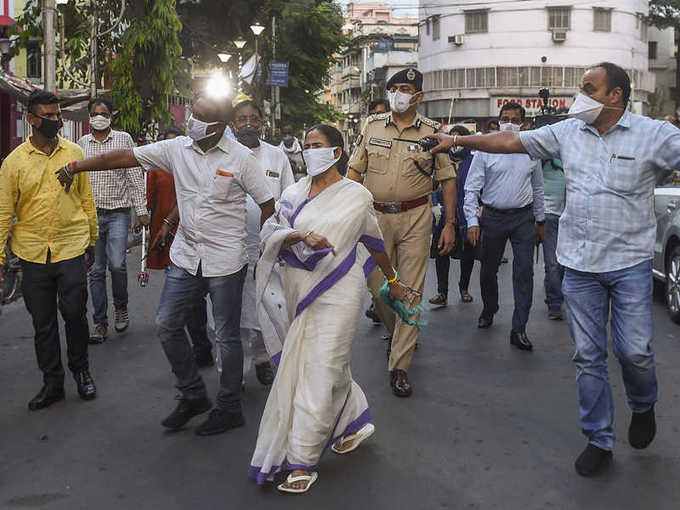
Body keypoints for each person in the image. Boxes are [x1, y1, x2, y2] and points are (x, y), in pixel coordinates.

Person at [424, 62, 680, 477]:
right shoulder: (566, 132)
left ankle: (643, 403)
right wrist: (457, 138)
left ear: (616, 95)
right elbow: (508, 141)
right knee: (588, 355)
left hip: (630, 263)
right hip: (578, 265)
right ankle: (599, 438)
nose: (580, 95)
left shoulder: (654, 135)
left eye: (589, 88)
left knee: (635, 352)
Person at [56, 92, 276, 436]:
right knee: (166, 323)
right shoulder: (177, 149)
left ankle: (229, 407)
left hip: (226, 260)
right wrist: (75, 165)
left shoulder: (242, 159)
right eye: (192, 113)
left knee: (227, 337)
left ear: (217, 126)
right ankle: (193, 393)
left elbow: (267, 205)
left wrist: (262, 248)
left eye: (199, 116)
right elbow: (125, 157)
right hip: (186, 256)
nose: (190, 120)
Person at [249, 124, 408, 494]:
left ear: (337, 151)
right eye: (306, 146)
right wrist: (298, 236)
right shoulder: (292, 192)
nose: (308, 151)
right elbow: (271, 232)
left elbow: (374, 241)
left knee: (319, 369)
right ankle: (353, 419)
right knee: (324, 363)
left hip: (340, 291)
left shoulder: (357, 195)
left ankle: (301, 460)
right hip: (298, 290)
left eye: (316, 145)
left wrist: (394, 281)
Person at [347, 68, 457, 397]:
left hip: (416, 217)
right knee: (378, 286)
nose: (397, 93)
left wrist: (449, 223)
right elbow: (355, 169)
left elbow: (448, 178)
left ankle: (399, 366)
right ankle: (401, 335)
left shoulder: (433, 132)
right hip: (375, 217)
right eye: (393, 88)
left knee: (409, 291)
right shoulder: (372, 125)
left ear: (418, 96)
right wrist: (341, 211)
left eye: (404, 88)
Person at [0, 90, 98, 409]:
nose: (55, 121)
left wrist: (92, 239)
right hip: (32, 254)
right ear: (32, 119)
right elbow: (3, 211)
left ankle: (81, 372)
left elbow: (86, 198)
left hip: (70, 247)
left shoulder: (74, 152)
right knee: (43, 323)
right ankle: (52, 382)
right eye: (48, 116)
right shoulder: (13, 163)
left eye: (58, 116)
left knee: (74, 314)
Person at [463, 102, 545, 351]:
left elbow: (538, 188)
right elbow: (471, 187)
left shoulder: (531, 150)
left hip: (523, 218)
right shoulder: (486, 149)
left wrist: (540, 220)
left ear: (523, 123)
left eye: (515, 119)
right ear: (497, 121)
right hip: (493, 217)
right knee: (488, 271)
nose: (510, 122)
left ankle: (519, 328)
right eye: (505, 118)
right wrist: (472, 221)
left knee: (524, 273)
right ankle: (489, 308)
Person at [230, 93, 295, 386]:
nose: (248, 124)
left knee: (265, 310)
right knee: (233, 315)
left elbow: (290, 197)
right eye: (242, 119)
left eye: (253, 119)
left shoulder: (276, 156)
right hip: (230, 247)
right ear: (232, 124)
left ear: (263, 123)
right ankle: (234, 373)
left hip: (268, 248)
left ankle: (261, 359)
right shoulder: (225, 154)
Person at [78, 98, 149, 343]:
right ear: (89, 116)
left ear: (111, 116)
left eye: (104, 113)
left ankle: (121, 306)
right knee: (96, 271)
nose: (99, 117)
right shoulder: (81, 145)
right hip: (91, 216)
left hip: (118, 212)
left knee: (117, 264)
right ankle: (100, 322)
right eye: (95, 113)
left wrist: (142, 210)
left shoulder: (123, 140)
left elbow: (134, 176)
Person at [145, 127, 214, 368]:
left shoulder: (198, 166)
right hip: (168, 234)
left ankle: (202, 345)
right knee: (172, 310)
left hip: (199, 238)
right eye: (168, 144)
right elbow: (150, 200)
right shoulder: (158, 170)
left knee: (196, 301)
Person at [429, 125, 478, 306]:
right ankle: (442, 292)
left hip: (466, 214)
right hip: (444, 213)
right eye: (452, 137)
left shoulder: (473, 161)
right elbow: (432, 184)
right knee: (442, 252)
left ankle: (464, 288)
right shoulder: (442, 159)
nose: (455, 141)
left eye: (459, 137)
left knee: (468, 254)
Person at [363, 98, 389, 324]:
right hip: (371, 214)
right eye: (374, 113)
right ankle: (377, 302)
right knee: (373, 271)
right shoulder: (365, 139)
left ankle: (402, 328)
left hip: (398, 215)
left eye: (382, 113)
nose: (377, 116)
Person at [541, 157, 566, 320]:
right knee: (554, 263)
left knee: (559, 263)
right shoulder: (540, 160)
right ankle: (554, 304)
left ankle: (554, 296)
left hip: (566, 216)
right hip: (548, 216)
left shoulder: (569, 155)